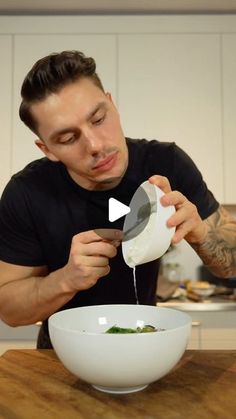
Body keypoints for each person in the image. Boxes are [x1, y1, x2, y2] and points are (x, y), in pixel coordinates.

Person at [0, 50, 235, 348]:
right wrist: (66, 279)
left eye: (99, 119)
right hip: (60, 358)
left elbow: (233, 264)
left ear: (112, 104)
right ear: (46, 149)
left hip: (144, 343)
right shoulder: (27, 193)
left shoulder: (167, 163)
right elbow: (9, 310)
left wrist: (201, 235)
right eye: (68, 139)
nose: (96, 145)